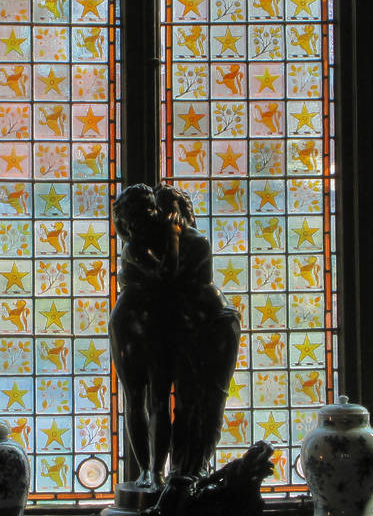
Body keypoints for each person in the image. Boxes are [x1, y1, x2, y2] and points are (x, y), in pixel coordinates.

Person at [108, 183, 242, 514]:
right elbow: (164, 277)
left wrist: (174, 235)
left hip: (202, 327)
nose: (149, 220)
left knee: (194, 404)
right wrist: (171, 235)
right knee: (145, 399)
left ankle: (183, 475)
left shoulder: (194, 242)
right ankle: (156, 473)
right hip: (155, 327)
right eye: (140, 214)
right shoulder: (139, 248)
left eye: (157, 211)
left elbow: (171, 279)